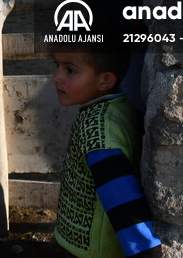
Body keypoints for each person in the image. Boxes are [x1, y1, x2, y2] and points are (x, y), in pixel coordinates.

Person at [52, 52, 163, 257]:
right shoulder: (116, 106)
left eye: (69, 70)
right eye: (57, 66)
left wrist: (147, 252)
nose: (57, 77)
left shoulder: (99, 135)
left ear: (105, 80)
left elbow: (122, 200)